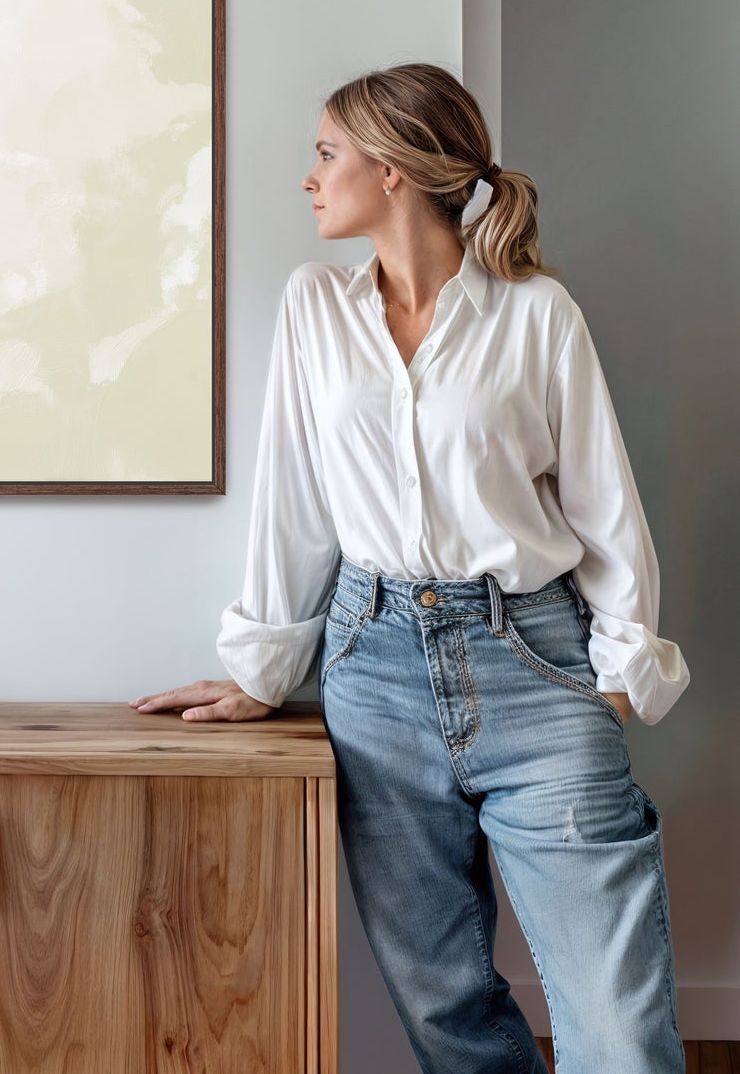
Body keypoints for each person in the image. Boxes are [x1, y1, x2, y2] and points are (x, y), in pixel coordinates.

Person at [130, 63, 690, 1073]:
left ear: (390, 170)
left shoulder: (534, 314)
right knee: (444, 1008)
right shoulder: (313, 307)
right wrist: (263, 666)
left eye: (325, 153)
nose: (308, 177)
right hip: (371, 665)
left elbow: (605, 506)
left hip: (534, 658)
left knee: (615, 1022)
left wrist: (615, 672)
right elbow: (291, 498)